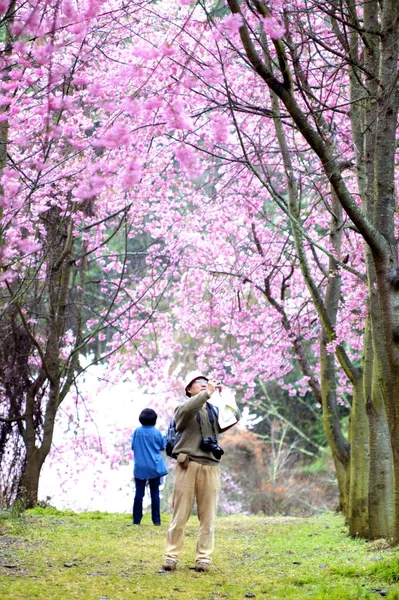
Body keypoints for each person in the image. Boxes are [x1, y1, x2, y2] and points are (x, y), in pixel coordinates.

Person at [162, 370, 240, 573]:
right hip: (187, 465)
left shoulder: (214, 411)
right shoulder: (184, 409)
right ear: (189, 389)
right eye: (198, 382)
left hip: (211, 467)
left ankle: (203, 558)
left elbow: (232, 418)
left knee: (208, 517)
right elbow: (187, 411)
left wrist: (226, 397)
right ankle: (171, 556)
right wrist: (206, 394)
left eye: (206, 381)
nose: (204, 384)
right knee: (180, 515)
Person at [131, 408, 168, 526]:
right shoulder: (156, 433)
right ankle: (156, 520)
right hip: (154, 467)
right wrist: (166, 438)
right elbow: (162, 447)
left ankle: (136, 520)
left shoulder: (137, 431)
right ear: (154, 420)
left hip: (140, 467)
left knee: (139, 494)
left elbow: (133, 446)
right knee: (155, 494)